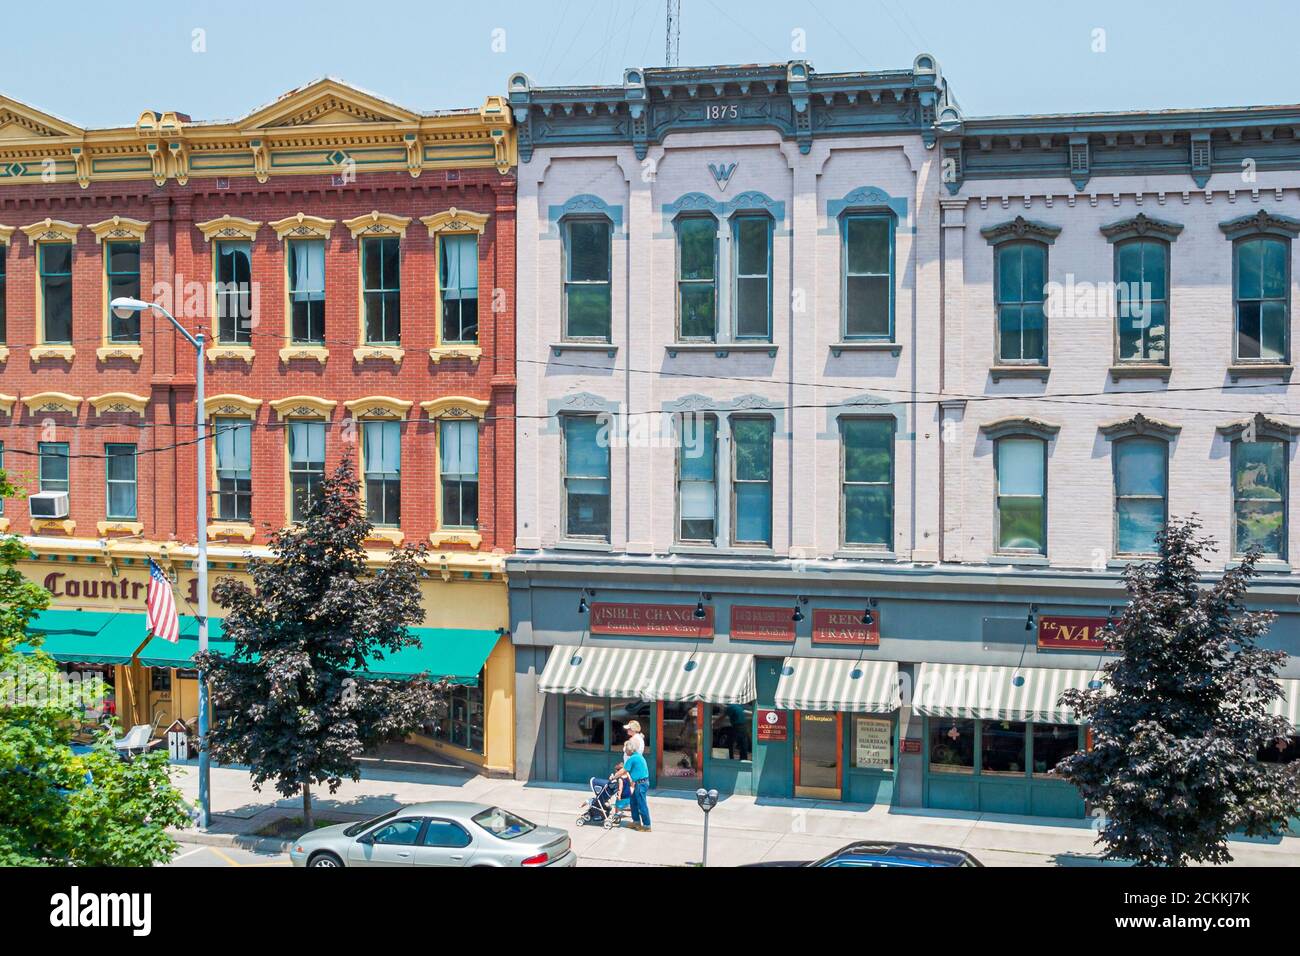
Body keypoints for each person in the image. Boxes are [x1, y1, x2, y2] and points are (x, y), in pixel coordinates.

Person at [622, 744, 651, 832]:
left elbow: (624, 770)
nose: (625, 752)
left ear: (630, 751)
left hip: (640, 784)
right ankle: (636, 822)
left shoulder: (632, 758)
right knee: (633, 802)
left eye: (625, 750)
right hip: (639, 783)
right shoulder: (638, 756)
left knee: (641, 804)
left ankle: (647, 826)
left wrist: (614, 777)